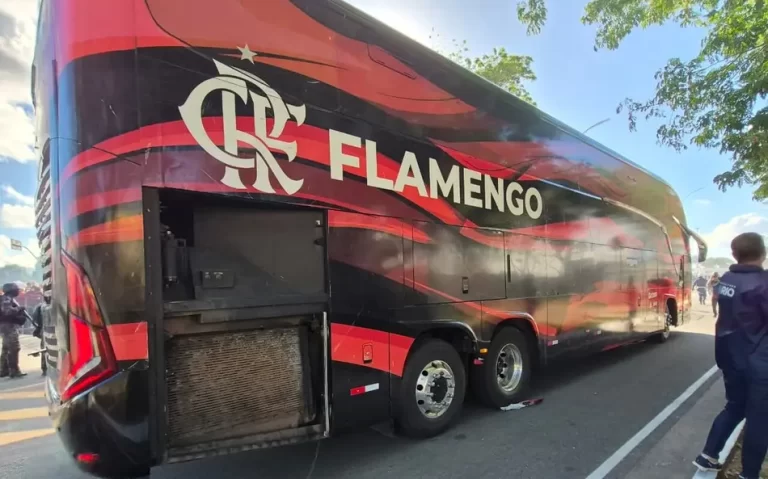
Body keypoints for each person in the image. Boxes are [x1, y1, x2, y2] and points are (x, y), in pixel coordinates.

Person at [693, 232, 768, 479]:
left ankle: (708, 455)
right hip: (759, 362)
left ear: (734, 254)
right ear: (763, 253)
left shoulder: (726, 279)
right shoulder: (763, 283)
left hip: (729, 356)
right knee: (759, 419)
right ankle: (749, 474)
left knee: (734, 406)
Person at [0, 283, 28, 378]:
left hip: (6, 326)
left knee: (6, 348)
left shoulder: (6, 298)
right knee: (14, 348)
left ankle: (4, 370)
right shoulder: (7, 299)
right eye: (16, 289)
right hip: (9, 326)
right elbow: (7, 311)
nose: (18, 291)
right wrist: (19, 309)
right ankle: (14, 371)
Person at [31, 292, 50, 376]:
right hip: (49, 329)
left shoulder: (40, 306)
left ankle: (45, 368)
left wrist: (38, 328)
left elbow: (35, 320)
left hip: (44, 330)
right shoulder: (42, 306)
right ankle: (46, 368)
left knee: (45, 349)